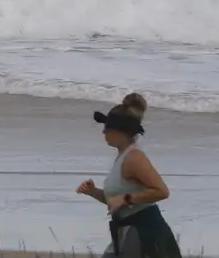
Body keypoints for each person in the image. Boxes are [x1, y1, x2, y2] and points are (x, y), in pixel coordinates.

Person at [75, 93, 181, 258]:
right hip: (127, 232)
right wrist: (94, 192)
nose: (104, 132)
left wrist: (125, 199)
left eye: (108, 128)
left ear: (121, 131)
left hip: (147, 234)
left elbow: (162, 191)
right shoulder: (121, 157)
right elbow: (117, 202)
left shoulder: (134, 157)